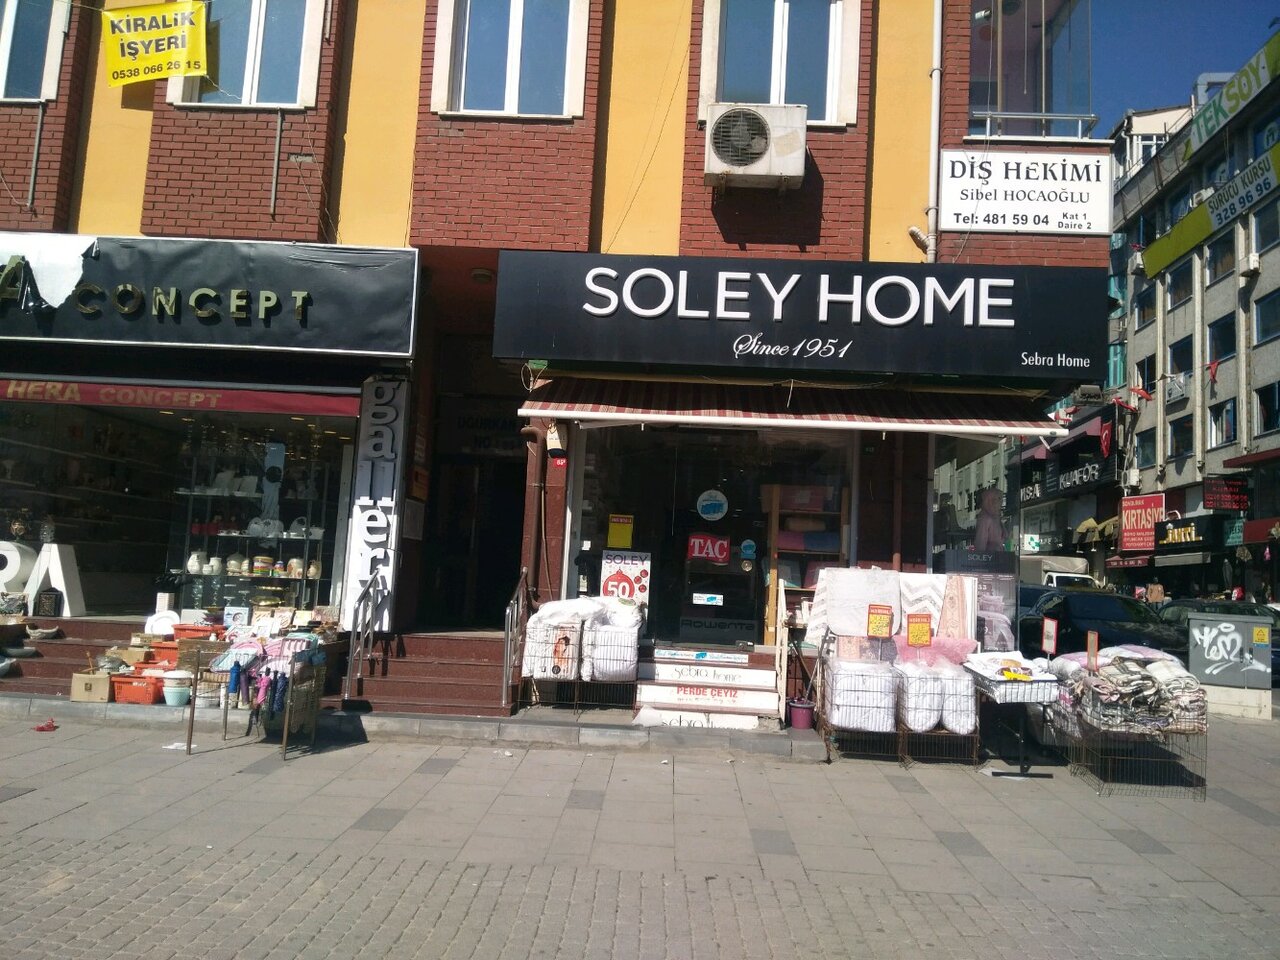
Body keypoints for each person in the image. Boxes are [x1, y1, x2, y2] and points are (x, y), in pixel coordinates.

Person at [973, 487, 1008, 552]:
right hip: (990, 556)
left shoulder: (996, 518)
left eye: (1001, 498)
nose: (1001, 502)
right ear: (990, 500)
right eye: (999, 498)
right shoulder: (985, 519)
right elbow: (980, 545)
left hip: (999, 555)